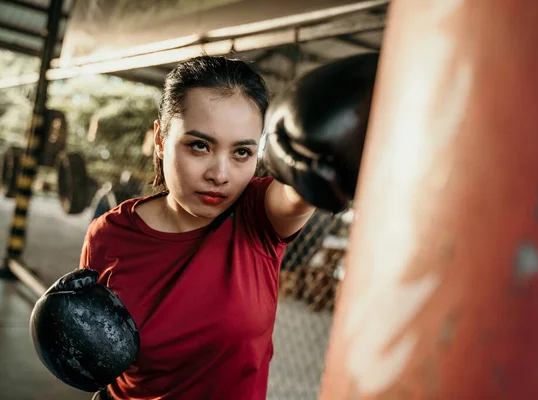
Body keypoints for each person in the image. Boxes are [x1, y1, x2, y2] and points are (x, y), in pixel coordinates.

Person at [30, 52, 379, 400]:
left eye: (241, 152)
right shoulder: (108, 233)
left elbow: (297, 192)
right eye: (199, 145)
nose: (220, 174)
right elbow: (95, 349)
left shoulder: (258, 215)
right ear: (161, 140)